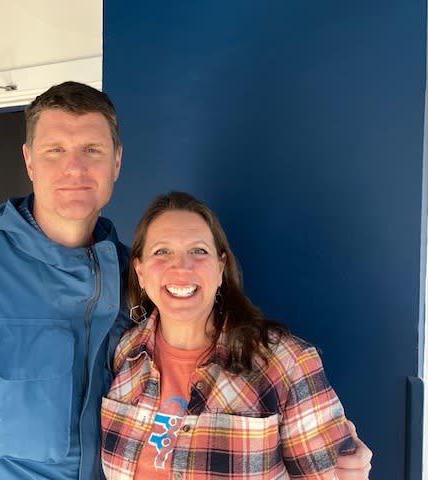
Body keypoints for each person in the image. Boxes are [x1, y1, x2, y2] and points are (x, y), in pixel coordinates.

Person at [0, 81, 371, 480]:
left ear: (117, 162)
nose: (74, 168)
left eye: (93, 151)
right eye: (56, 150)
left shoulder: (137, 278)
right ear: (30, 162)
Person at [101, 191, 365, 479]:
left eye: (198, 251)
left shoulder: (286, 363)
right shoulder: (125, 352)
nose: (181, 266)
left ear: (220, 268)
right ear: (140, 271)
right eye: (162, 251)